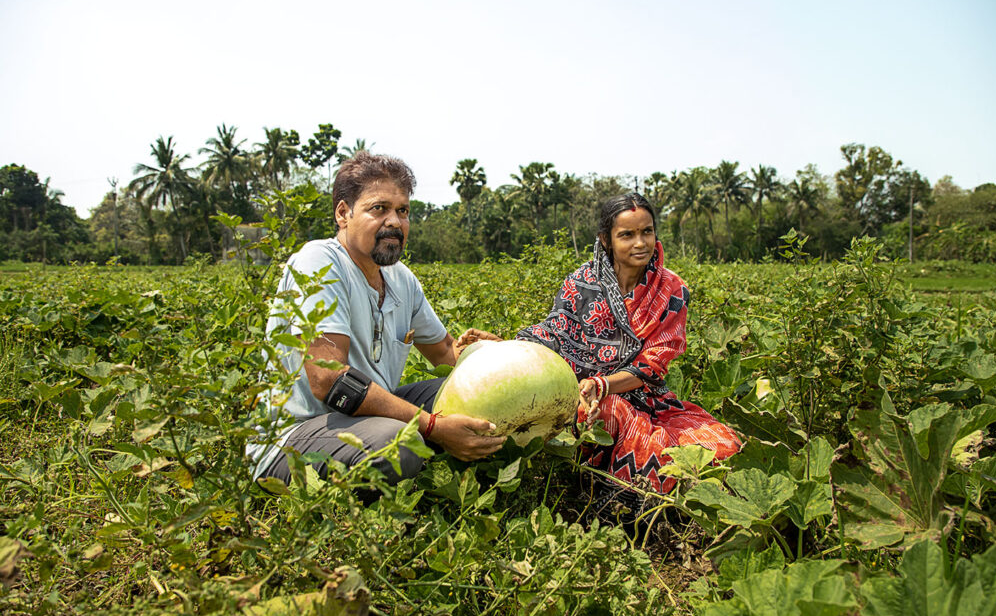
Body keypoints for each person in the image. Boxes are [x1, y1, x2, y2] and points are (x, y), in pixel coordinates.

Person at [246, 152, 504, 485]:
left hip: (365, 420)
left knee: (481, 397)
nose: (395, 222)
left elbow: (445, 353)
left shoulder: (401, 279)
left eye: (403, 211)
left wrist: (483, 354)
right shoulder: (320, 263)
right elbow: (328, 380)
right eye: (379, 208)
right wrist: (433, 427)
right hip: (296, 436)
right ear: (343, 213)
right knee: (399, 444)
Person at [513, 192, 742, 496]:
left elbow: (653, 366)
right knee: (598, 413)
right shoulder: (581, 282)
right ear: (606, 240)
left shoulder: (671, 289)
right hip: (581, 396)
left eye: (647, 231)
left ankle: (632, 490)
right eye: (627, 234)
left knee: (725, 448)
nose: (640, 243)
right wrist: (503, 347)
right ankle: (599, 490)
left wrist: (604, 384)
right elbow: (553, 333)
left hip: (646, 399)